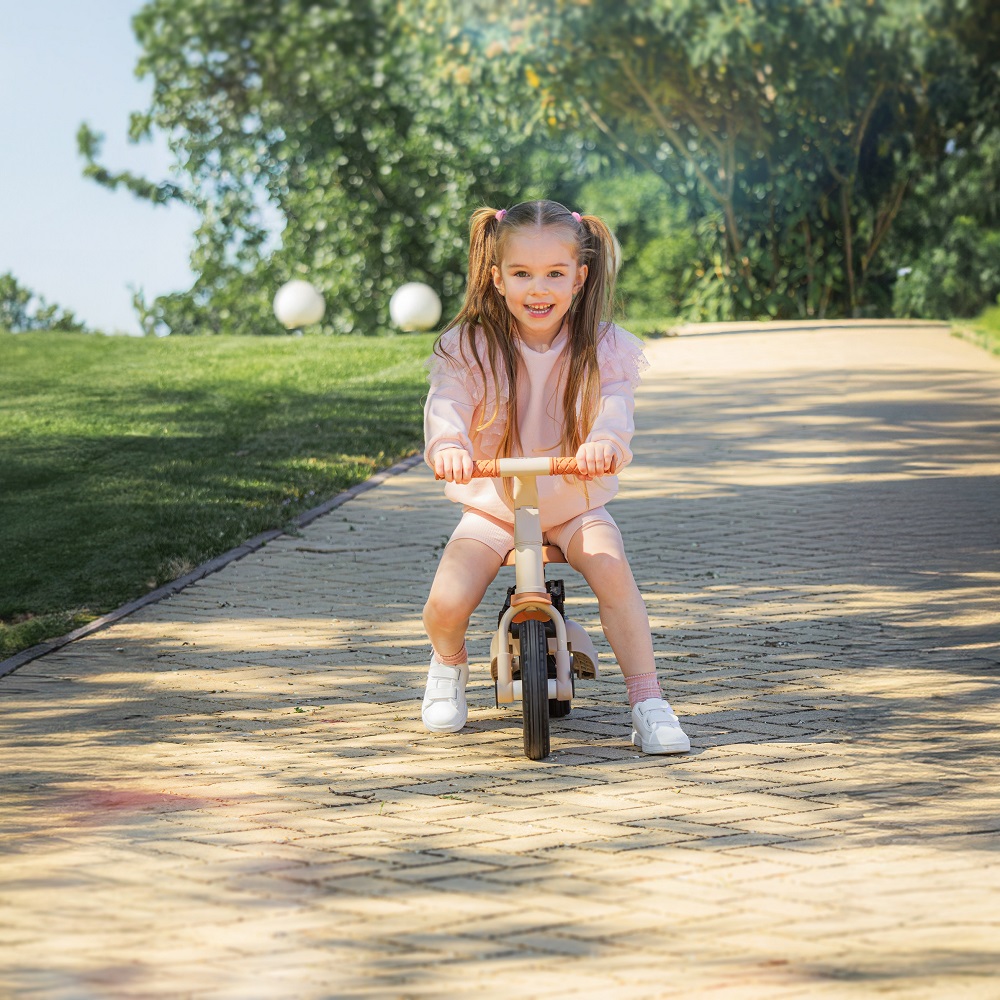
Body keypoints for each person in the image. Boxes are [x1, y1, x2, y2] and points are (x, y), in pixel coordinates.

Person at [421, 199, 690, 755]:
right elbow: (447, 402)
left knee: (612, 571)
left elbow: (615, 405)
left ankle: (648, 701)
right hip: (496, 504)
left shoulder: (602, 346)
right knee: (447, 600)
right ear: (497, 278)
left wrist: (604, 442)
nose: (537, 289)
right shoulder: (471, 346)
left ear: (579, 277)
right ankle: (448, 664)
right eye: (521, 274)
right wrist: (448, 444)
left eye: (554, 274)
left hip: (573, 500)